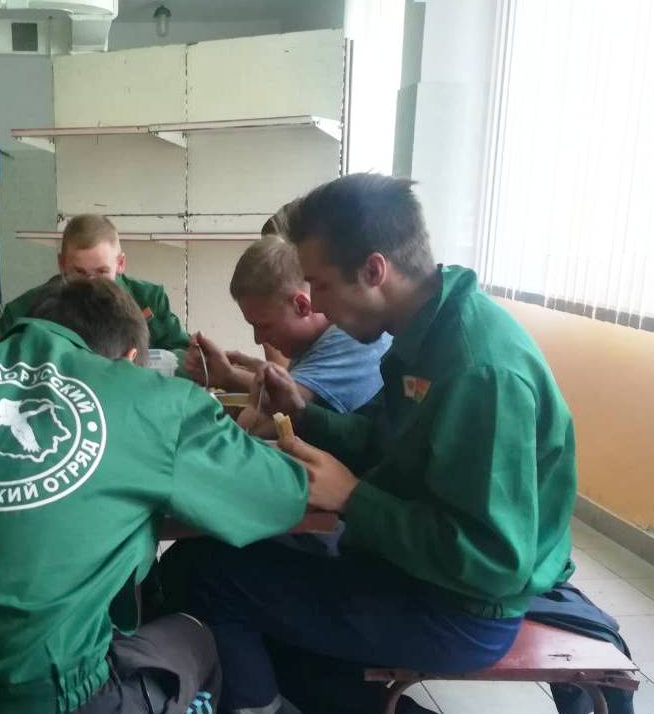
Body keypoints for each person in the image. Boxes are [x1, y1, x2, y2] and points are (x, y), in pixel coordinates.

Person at [167, 174, 577, 714]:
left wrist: (352, 497)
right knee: (208, 563)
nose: (314, 302)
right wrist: (305, 415)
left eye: (320, 284)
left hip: (461, 610)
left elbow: (493, 561)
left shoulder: (478, 371)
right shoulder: (424, 334)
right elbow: (391, 444)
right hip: (410, 569)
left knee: (205, 578)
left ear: (374, 271)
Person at [0, 278, 311, 714]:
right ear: (129, 358)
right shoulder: (153, 398)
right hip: (47, 696)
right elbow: (281, 495)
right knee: (197, 640)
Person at [184, 235, 389, 426]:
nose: (258, 339)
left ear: (302, 306)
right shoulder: (311, 344)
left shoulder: (349, 339)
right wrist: (249, 369)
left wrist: (229, 376)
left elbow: (268, 419)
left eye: (264, 326)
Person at [0, 214, 189, 354]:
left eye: (102, 272)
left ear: (120, 264)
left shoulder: (149, 300)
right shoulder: (23, 310)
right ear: (62, 264)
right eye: (79, 273)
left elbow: (181, 354)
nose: (91, 284)